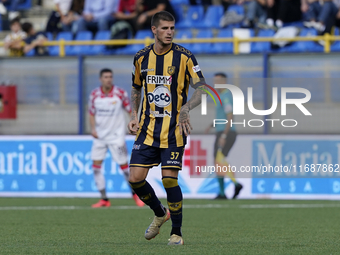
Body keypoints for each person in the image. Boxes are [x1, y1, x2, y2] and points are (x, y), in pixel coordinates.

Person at [128, 11, 206, 245]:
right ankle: (160, 213)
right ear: (154, 30)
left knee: (169, 180)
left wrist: (186, 108)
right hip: (148, 129)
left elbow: (201, 89)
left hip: (174, 130)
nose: (170, 32)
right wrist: (133, 115)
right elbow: (135, 88)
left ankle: (177, 232)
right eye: (165, 28)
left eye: (172, 28)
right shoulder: (141, 58)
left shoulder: (185, 57)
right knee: (135, 179)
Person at [89, 68, 144, 208]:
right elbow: (91, 113)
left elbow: (130, 110)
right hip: (100, 138)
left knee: (125, 168)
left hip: (116, 138)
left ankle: (135, 195)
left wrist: (134, 122)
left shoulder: (120, 93)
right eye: (106, 77)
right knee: (96, 168)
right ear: (100, 79)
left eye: (110, 77)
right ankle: (104, 199)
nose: (108, 79)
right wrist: (93, 129)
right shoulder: (94, 95)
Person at [205, 73, 243, 200]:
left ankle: (229, 188)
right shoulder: (221, 96)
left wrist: (224, 135)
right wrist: (212, 125)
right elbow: (222, 117)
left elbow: (230, 116)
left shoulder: (226, 96)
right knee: (219, 160)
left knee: (218, 160)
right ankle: (231, 187)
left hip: (226, 133)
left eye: (219, 81)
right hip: (223, 132)